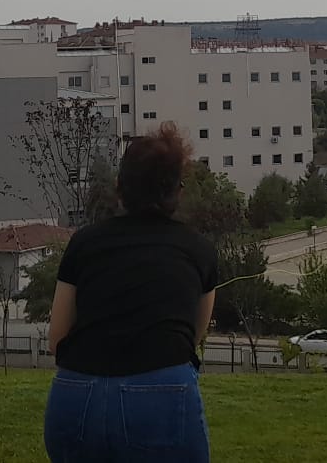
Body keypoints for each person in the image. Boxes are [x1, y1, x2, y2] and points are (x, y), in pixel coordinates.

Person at [44, 122, 219, 462]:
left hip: (76, 397)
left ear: (119, 188)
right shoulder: (199, 250)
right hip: (162, 392)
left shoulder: (84, 243)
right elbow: (191, 337)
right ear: (176, 191)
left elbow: (57, 338)